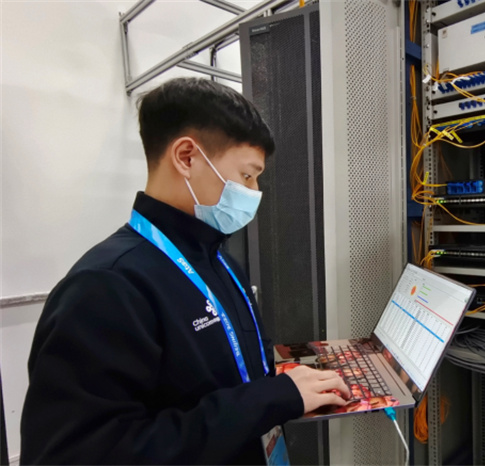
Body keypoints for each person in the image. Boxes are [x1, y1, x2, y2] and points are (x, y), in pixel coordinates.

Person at [20, 77, 350, 465]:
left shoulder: (217, 259)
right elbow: (78, 454)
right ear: (187, 157)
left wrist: (291, 383)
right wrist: (270, 399)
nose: (254, 191)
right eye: (247, 175)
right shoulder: (107, 286)